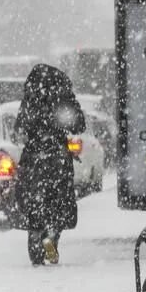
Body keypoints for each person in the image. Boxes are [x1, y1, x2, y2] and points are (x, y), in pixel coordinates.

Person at [13, 64, 86, 266]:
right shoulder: (63, 97)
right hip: (57, 157)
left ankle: (36, 236)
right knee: (58, 202)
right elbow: (78, 124)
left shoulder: (30, 98)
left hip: (33, 157)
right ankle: (51, 237)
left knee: (35, 201)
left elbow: (19, 128)